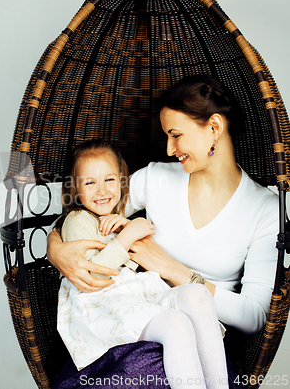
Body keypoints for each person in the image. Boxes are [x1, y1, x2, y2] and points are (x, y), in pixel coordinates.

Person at [47, 75, 279, 387]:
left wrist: (169, 268)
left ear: (214, 127)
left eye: (175, 135)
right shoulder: (156, 178)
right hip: (138, 324)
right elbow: (87, 209)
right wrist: (55, 247)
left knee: (186, 327)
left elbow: (254, 316)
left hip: (205, 333)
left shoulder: (265, 209)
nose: (169, 149)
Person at [56, 138, 228, 389]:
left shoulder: (114, 216)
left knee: (197, 294)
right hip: (99, 308)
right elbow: (95, 276)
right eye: (90, 183)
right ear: (76, 190)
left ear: (122, 181)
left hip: (130, 298)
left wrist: (130, 228)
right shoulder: (77, 219)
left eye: (109, 180)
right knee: (175, 323)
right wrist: (129, 235)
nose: (102, 190)